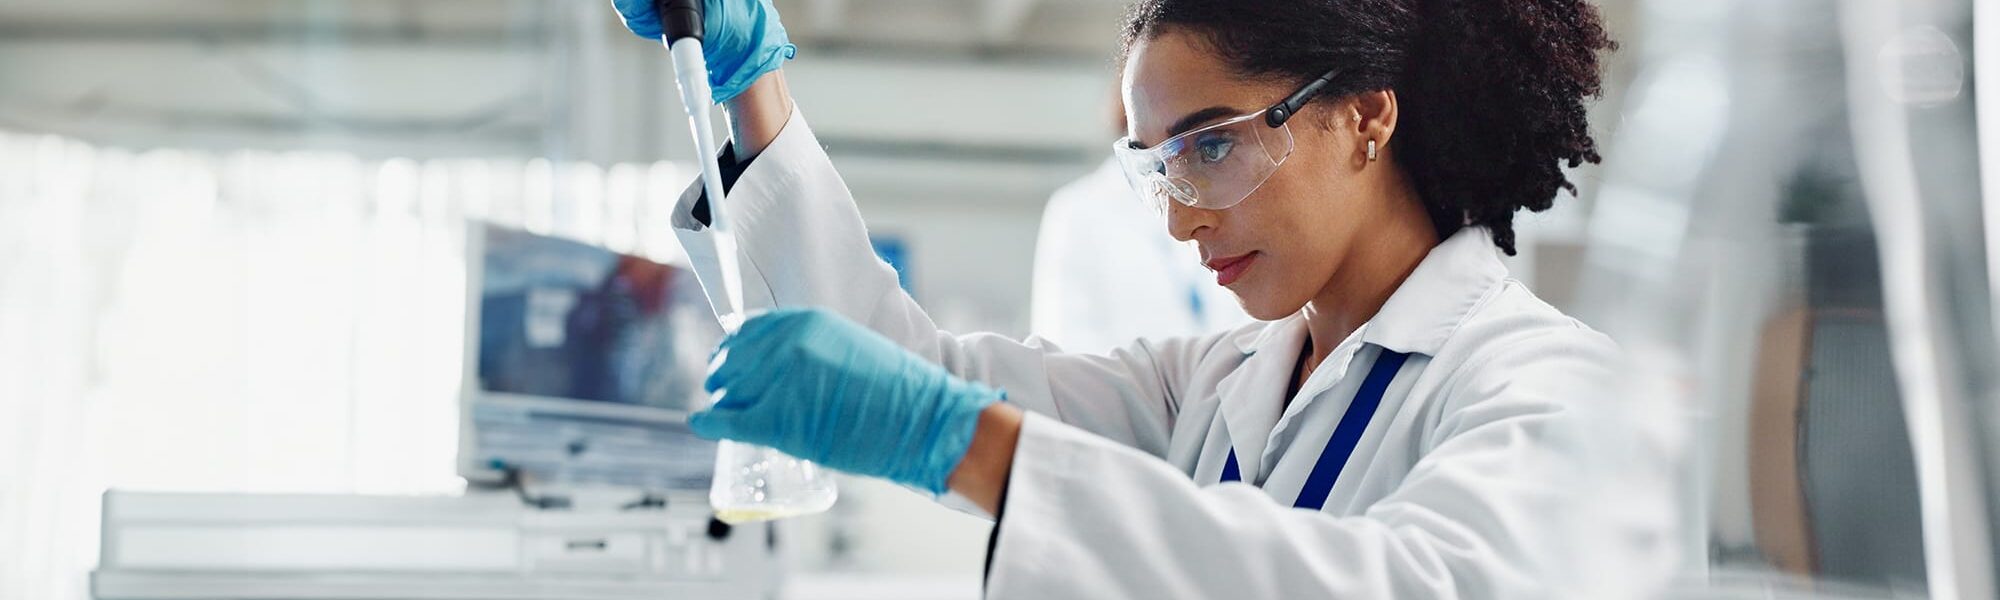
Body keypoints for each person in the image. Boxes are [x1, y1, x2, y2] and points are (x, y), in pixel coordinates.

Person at [613, 0, 1672, 597]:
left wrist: (966, 443)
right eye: (1160, 167)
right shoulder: (1211, 387)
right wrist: (748, 86)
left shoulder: (1546, 389)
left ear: (1364, 117)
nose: (1181, 217)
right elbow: (906, 370)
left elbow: (1402, 585)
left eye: (1211, 145)